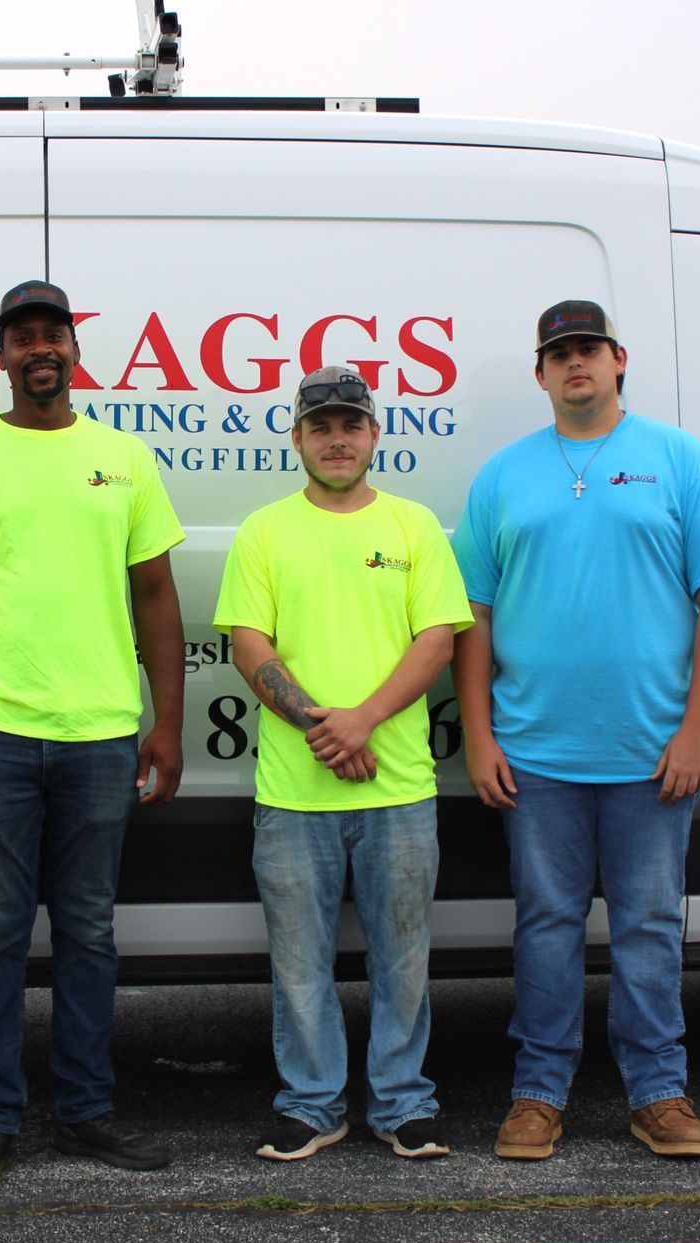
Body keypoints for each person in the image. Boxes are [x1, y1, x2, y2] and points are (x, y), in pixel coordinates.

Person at [0, 280, 187, 1190]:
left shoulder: (123, 458)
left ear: (74, 349)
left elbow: (155, 594)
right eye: (22, 337)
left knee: (90, 932)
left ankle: (85, 1113)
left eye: (52, 333)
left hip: (101, 735)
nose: (40, 349)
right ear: (1, 356)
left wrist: (168, 723)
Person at [452, 300, 700, 1161]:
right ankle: (537, 1094)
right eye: (559, 354)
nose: (575, 363)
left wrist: (696, 729)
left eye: (589, 349)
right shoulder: (503, 476)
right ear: (540, 373)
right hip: (536, 752)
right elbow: (471, 616)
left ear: (619, 360)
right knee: (545, 924)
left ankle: (658, 1092)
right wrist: (479, 735)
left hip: (652, 751)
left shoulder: (678, 459)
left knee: (648, 925)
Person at [214, 367, 472, 1162]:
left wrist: (362, 721)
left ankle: (402, 1103)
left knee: (404, 962)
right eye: (320, 427)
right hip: (293, 796)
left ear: (374, 435)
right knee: (299, 969)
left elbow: (438, 640)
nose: (336, 440)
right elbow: (248, 644)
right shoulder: (264, 531)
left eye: (350, 425)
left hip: (398, 790)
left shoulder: (413, 527)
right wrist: (323, 728)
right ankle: (312, 1105)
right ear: (296, 437)